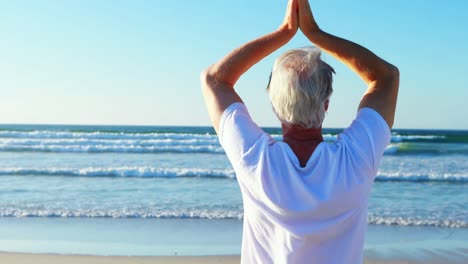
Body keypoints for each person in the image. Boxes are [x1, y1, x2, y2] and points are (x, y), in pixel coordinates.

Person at [200, 0, 399, 263]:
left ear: (274, 105)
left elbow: (214, 79)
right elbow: (385, 78)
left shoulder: (255, 159)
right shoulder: (356, 159)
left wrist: (284, 32)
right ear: (326, 103)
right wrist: (316, 33)